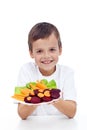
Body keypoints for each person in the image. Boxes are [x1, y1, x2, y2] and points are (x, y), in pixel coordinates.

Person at [17, 22, 77, 120]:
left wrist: (52, 97)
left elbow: (72, 112)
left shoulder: (67, 73)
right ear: (31, 53)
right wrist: (38, 97)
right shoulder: (26, 70)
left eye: (52, 49)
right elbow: (22, 114)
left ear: (60, 50)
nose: (46, 56)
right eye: (39, 51)